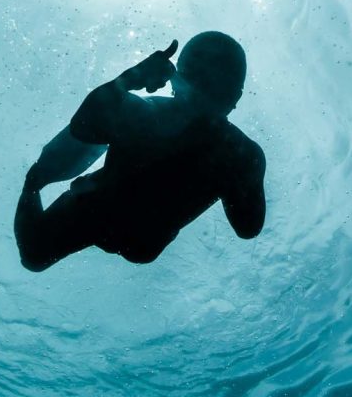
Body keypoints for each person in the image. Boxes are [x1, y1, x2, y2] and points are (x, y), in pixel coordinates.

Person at [16, 32, 267, 271]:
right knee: (34, 254)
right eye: (196, 77)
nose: (199, 95)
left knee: (35, 255)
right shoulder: (237, 152)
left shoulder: (239, 154)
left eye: (210, 83)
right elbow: (248, 228)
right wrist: (127, 81)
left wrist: (127, 82)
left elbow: (248, 229)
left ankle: (41, 178)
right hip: (106, 214)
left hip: (114, 221)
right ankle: (37, 178)